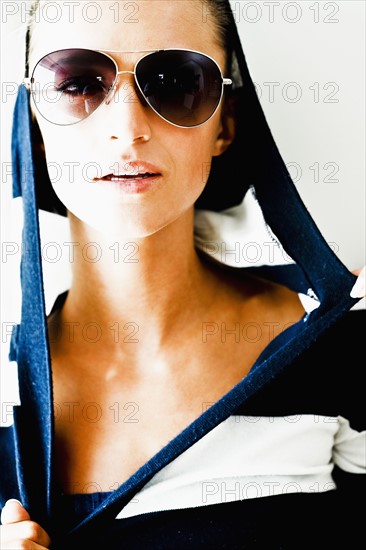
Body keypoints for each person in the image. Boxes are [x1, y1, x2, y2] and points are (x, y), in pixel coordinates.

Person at [0, 1, 365, 548]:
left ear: (227, 125)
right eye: (77, 83)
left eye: (175, 81)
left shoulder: (337, 338)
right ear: (35, 125)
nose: (127, 129)